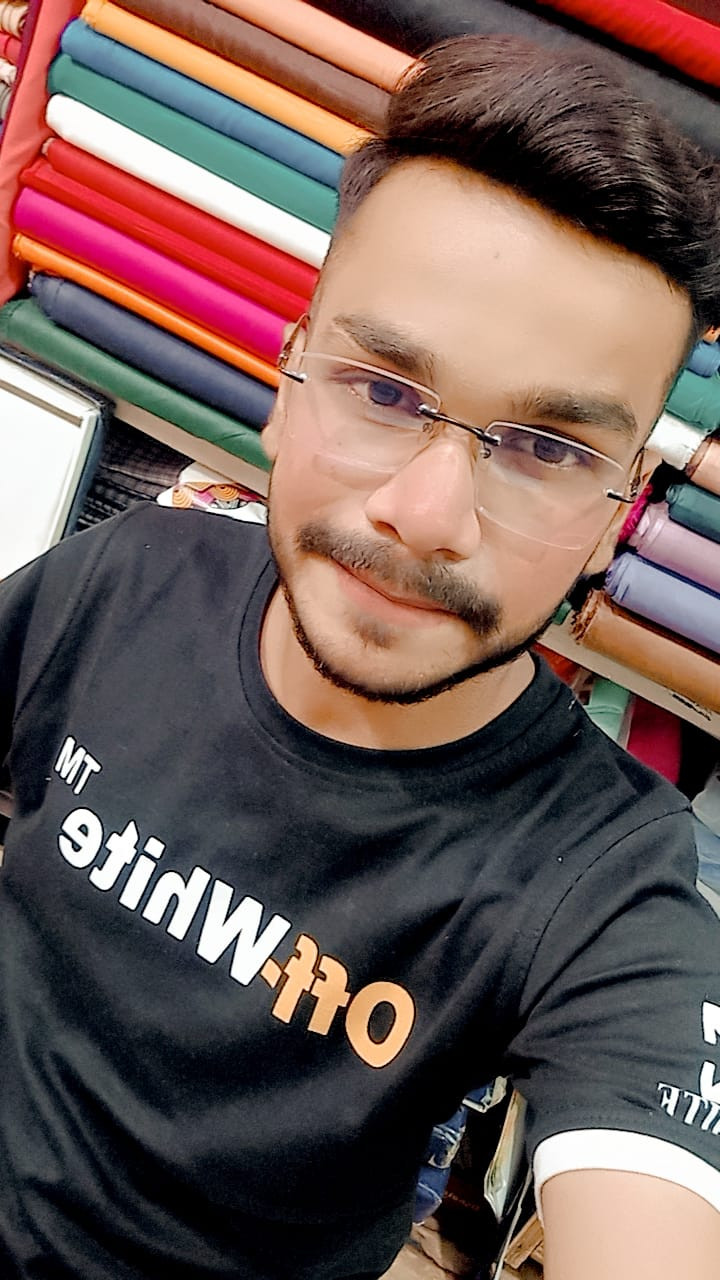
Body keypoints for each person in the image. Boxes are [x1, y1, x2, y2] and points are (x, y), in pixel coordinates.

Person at [1, 32, 719, 1280]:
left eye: (548, 448)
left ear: (616, 517)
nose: (426, 515)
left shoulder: (604, 882)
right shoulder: (129, 575)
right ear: (288, 381)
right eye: (385, 391)